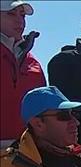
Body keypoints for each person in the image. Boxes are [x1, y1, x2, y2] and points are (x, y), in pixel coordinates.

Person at [1, 0, 45, 149]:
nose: (19, 20)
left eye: (22, 15)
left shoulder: (33, 63)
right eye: (11, 14)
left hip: (28, 151)